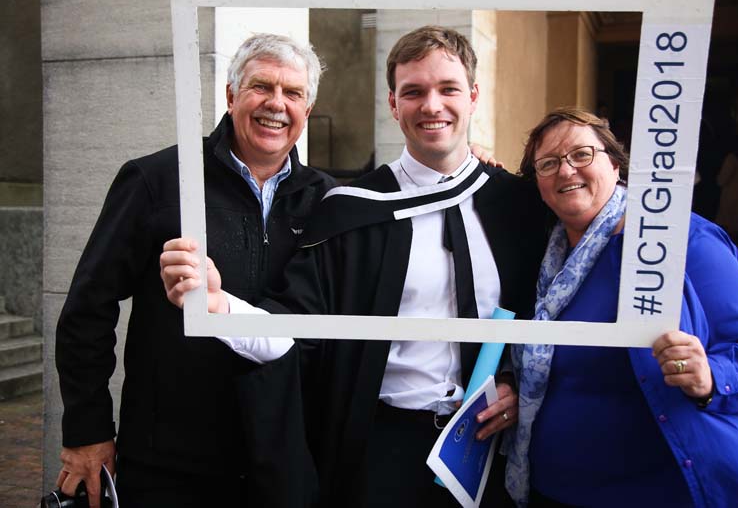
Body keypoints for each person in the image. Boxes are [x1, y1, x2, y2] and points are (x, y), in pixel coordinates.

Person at [161, 25, 549, 507]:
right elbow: (296, 329)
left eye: (448, 89)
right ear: (393, 104)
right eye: (413, 92)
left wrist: (515, 381)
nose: (432, 106)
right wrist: (218, 305)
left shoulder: (517, 206)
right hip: (386, 448)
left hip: (492, 448)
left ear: (471, 96)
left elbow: (551, 317)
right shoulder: (353, 209)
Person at [55, 33, 337, 508]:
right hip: (169, 460)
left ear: (307, 111)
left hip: (280, 457)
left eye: (293, 94)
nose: (276, 104)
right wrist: (88, 430)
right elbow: (88, 307)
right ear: (230, 95)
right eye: (261, 86)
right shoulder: (157, 180)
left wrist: (473, 165)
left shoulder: (327, 201)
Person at [503, 107, 738, 507]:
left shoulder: (679, 240)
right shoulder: (541, 259)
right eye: (548, 163)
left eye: (581, 155)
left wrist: (711, 375)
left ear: (615, 164)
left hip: (667, 488)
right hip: (557, 490)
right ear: (537, 184)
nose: (566, 170)